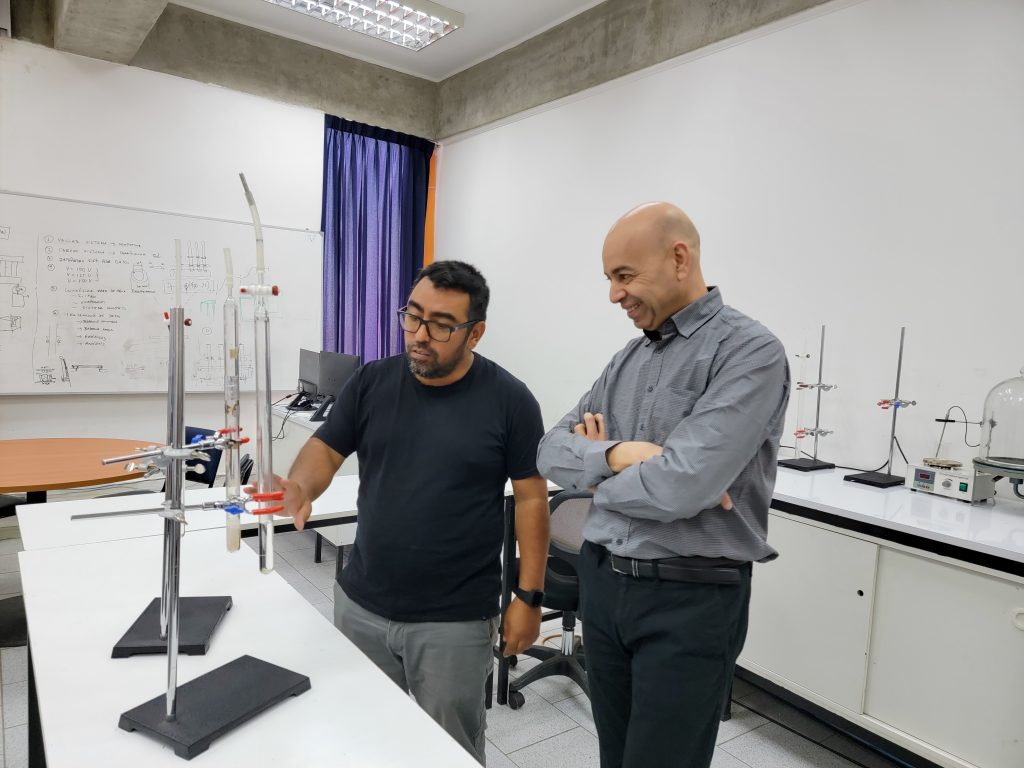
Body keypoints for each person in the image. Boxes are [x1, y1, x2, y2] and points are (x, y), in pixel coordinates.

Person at [537, 203, 790, 768]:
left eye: (623, 276)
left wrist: (596, 480)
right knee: (615, 757)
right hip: (602, 584)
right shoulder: (628, 358)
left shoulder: (748, 352)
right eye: (608, 279)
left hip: (689, 597)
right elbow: (549, 449)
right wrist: (624, 455)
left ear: (679, 258)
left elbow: (681, 487)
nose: (612, 295)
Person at [277, 261, 550, 765]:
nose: (420, 335)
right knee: (360, 742)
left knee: (450, 752)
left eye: (442, 325)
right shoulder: (372, 382)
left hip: (455, 622)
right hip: (362, 605)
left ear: (476, 333)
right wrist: (300, 485)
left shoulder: (510, 401)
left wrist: (528, 598)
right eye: (413, 316)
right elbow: (326, 448)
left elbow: (532, 498)